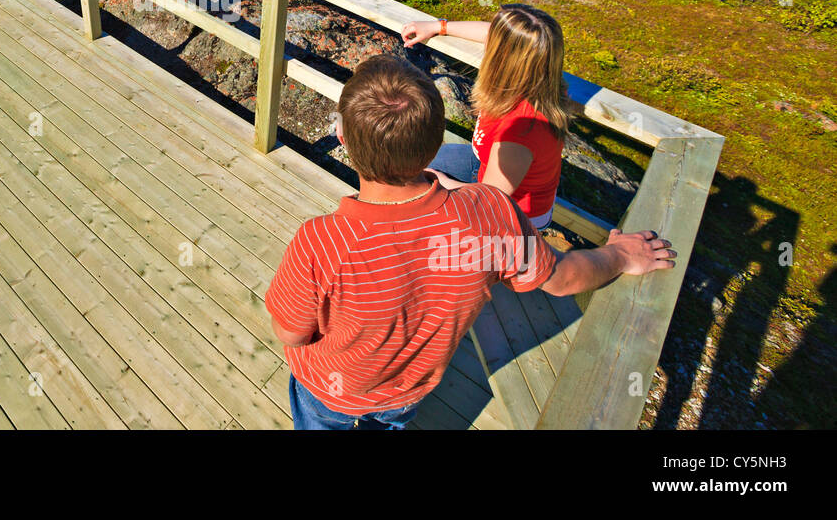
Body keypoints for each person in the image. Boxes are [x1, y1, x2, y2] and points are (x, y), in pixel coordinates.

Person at [265, 54, 674, 430]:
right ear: (433, 145)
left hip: (326, 390)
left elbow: (291, 334)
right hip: (406, 394)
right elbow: (562, 278)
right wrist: (618, 255)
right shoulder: (489, 212)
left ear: (346, 143)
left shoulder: (320, 242)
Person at [400, 4, 569, 231]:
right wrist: (438, 27)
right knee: (411, 160)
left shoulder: (520, 132)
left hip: (513, 216)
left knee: (416, 189)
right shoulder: (533, 78)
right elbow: (491, 32)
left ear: (502, 57)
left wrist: (440, 183)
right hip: (486, 167)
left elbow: (487, 202)